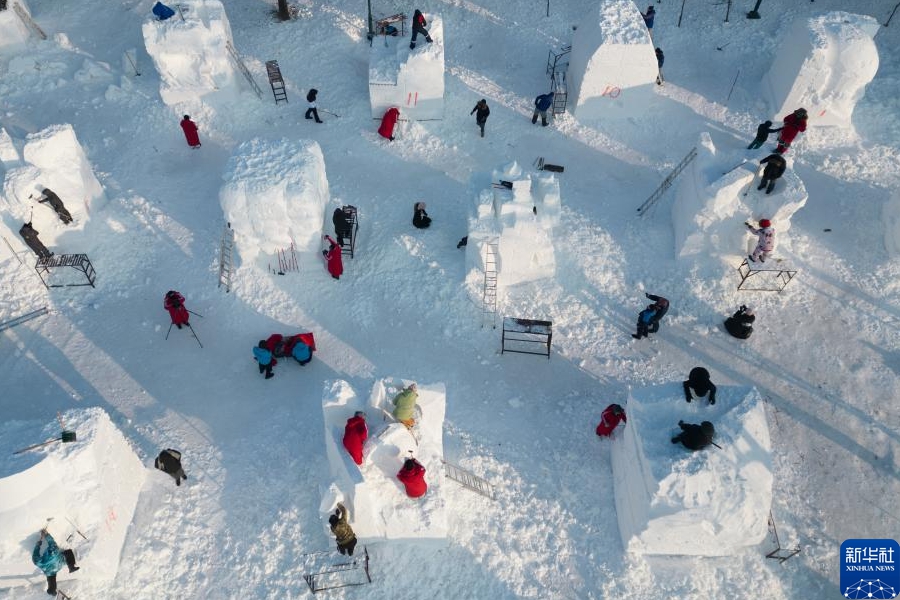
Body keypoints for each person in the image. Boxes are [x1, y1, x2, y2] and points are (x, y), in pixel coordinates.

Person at [32, 530, 79, 596]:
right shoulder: (53, 551)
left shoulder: (54, 550)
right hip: (51, 568)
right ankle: (71, 566)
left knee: (52, 578)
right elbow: (35, 559)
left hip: (57, 567)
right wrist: (40, 542)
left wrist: (44, 538)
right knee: (68, 552)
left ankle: (52, 589)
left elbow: (36, 556)